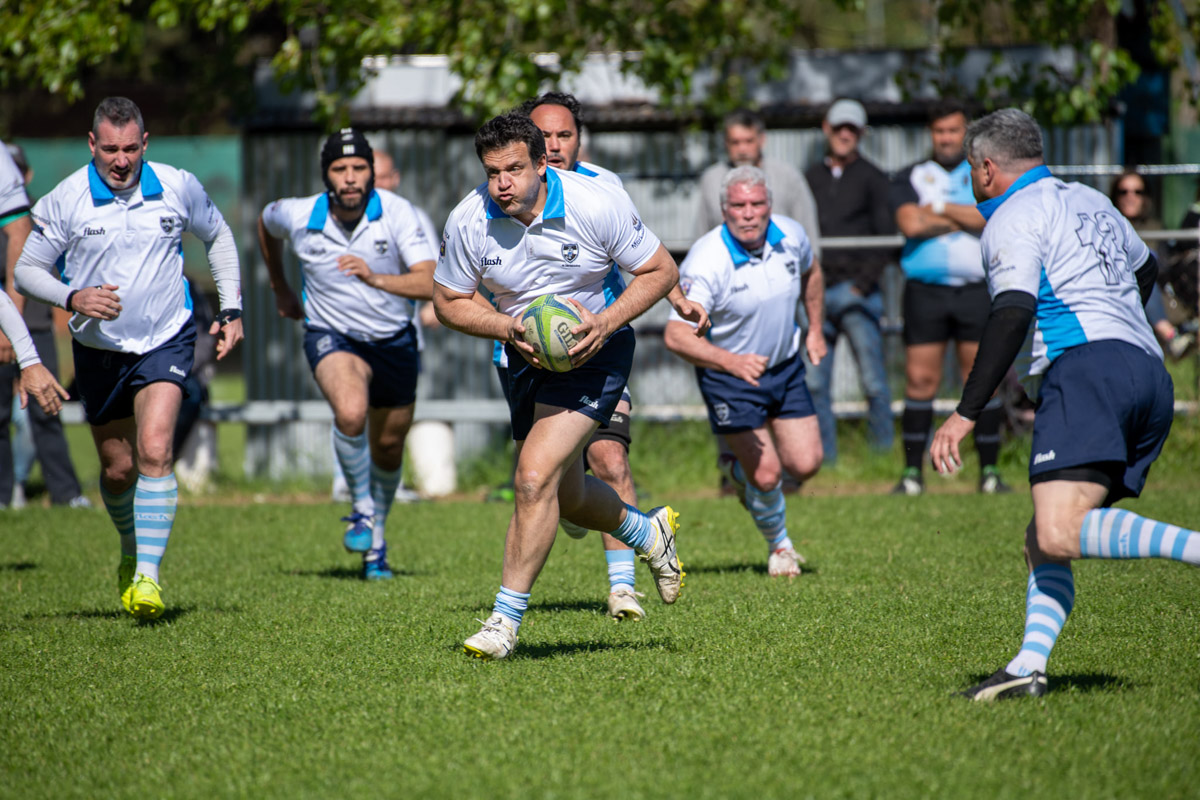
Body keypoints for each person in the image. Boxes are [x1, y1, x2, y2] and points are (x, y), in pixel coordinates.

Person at [930, 108, 1198, 700]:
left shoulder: (1010, 216)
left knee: (1057, 532)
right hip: (1145, 372)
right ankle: (1028, 666)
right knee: (1041, 535)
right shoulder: (1091, 200)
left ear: (986, 168)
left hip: (1090, 371)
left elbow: (1013, 313)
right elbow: (1145, 269)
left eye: (973, 171)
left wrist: (965, 411)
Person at [433, 112, 688, 659]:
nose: (502, 184)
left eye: (515, 170)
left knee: (531, 479)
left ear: (542, 163)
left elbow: (661, 271)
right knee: (566, 496)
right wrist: (506, 327)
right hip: (524, 355)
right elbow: (448, 302)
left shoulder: (595, 202)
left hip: (597, 350)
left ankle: (503, 623)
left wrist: (606, 321)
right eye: (492, 171)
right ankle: (649, 535)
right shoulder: (468, 220)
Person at [14, 97, 244, 619]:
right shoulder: (66, 198)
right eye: (111, 149)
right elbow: (28, 272)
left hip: (167, 337)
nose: (121, 160)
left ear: (146, 144)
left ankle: (148, 576)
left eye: (131, 149)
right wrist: (73, 297)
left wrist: (231, 308)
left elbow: (220, 236)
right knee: (118, 471)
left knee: (156, 450)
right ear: (92, 145)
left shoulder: (178, 185)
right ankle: (128, 548)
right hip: (98, 351)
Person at [520, 91, 709, 621]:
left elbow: (642, 256)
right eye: (544, 137)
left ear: (579, 139)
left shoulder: (604, 189)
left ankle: (622, 589)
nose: (554, 147)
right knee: (553, 488)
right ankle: (637, 526)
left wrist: (678, 298)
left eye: (564, 136)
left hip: (596, 347)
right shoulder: (503, 190)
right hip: (526, 354)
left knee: (609, 457)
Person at [258, 129, 436, 580]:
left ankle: (376, 542)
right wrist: (280, 285)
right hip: (331, 335)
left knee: (390, 447)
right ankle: (360, 508)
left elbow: (430, 280)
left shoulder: (398, 214)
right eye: (341, 169)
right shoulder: (298, 215)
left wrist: (376, 278)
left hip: (394, 340)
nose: (351, 178)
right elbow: (265, 222)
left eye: (359, 168)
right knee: (352, 413)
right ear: (326, 176)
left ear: (373, 174)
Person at [665, 166, 825, 578]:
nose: (749, 213)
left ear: (769, 205)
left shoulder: (791, 235)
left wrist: (816, 330)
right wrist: (732, 361)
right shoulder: (707, 260)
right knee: (768, 474)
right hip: (729, 376)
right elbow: (677, 336)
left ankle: (735, 467)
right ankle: (781, 547)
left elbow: (813, 273)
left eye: (757, 204)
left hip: (784, 367)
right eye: (738, 205)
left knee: (806, 464)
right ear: (724, 210)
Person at [890, 99, 1010, 496]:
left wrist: (937, 209)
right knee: (920, 381)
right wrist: (964, 214)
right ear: (931, 133)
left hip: (976, 289)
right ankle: (911, 475)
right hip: (925, 292)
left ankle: (989, 473)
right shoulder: (911, 174)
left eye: (953, 131)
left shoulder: (983, 172)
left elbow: (989, 215)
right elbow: (910, 222)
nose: (946, 138)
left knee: (981, 380)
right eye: (939, 131)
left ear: (966, 133)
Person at [328, 147, 435, 505]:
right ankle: (348, 484)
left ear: (395, 178)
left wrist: (433, 305)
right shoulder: (334, 215)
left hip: (401, 337)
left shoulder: (410, 215)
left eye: (386, 176)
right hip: (349, 336)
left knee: (390, 425)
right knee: (351, 408)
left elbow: (434, 273)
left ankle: (390, 481)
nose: (380, 183)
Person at [803, 99, 895, 463]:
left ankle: (882, 457)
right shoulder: (809, 177)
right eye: (839, 127)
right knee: (814, 384)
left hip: (859, 294)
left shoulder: (874, 178)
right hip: (817, 296)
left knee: (873, 380)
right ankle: (824, 461)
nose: (845, 134)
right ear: (827, 128)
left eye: (852, 129)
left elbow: (886, 238)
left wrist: (862, 284)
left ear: (861, 133)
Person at [1, 143, 91, 509]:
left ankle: (66, 493)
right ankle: (6, 495)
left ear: (27, 175)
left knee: (47, 408)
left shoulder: (39, 216)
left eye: (17, 170)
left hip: (31, 322)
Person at [695, 109, 821, 256]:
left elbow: (807, 231)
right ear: (725, 143)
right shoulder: (712, 179)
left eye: (749, 141)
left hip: (780, 267)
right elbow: (701, 233)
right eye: (735, 142)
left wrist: (811, 268)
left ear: (762, 140)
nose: (742, 149)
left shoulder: (787, 176)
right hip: (726, 270)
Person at [1108, 169, 1192, 359]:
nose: (1131, 197)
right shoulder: (1107, 226)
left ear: (1146, 197)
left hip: (1152, 293)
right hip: (1115, 293)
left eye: (1138, 192)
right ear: (1115, 195)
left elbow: (1163, 267)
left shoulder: (1155, 228)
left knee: (1144, 271)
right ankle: (1170, 334)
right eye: (1124, 191)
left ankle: (1169, 333)